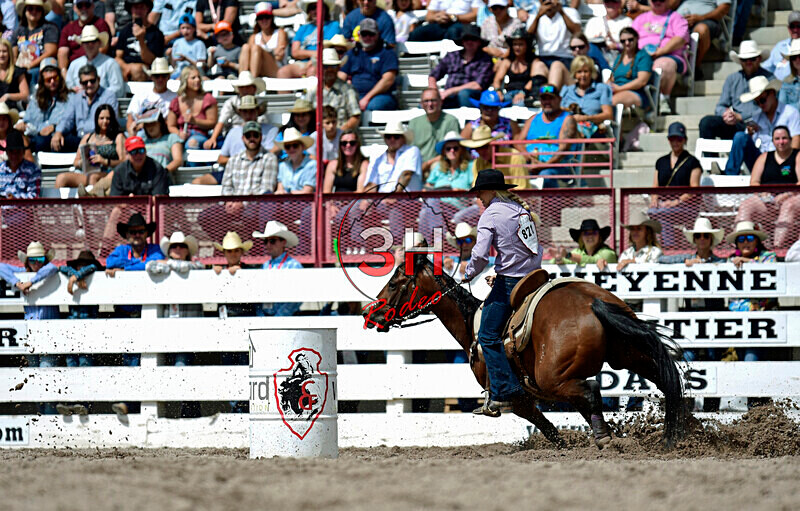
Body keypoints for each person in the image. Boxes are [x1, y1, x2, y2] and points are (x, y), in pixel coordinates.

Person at [462, 168, 541, 417]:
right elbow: (532, 250)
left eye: (480, 192)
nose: (479, 198)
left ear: (490, 191)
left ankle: (505, 391)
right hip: (534, 277)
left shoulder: (490, 215)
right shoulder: (522, 211)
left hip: (510, 282)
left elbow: (481, 253)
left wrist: (468, 273)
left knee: (487, 336)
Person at [735, 125, 800, 248]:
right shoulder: (764, 157)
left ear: (790, 140)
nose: (781, 142)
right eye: (777, 139)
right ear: (773, 141)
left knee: (788, 205)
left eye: (784, 138)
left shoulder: (797, 156)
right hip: (768, 201)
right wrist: (762, 194)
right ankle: (739, 245)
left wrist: (786, 195)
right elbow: (754, 182)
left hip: (793, 197)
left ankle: (777, 247)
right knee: (746, 205)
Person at [724, 76, 800, 175]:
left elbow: (796, 140)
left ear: (772, 93)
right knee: (740, 137)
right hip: (760, 162)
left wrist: (790, 164)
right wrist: (750, 134)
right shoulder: (756, 118)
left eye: (763, 100)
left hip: (783, 160)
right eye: (757, 102)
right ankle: (729, 177)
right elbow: (746, 144)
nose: (760, 105)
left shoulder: (790, 113)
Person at [698, 40, 772, 142]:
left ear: (759, 59)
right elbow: (720, 106)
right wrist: (727, 114)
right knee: (706, 123)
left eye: (752, 58)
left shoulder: (769, 78)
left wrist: (741, 116)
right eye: (744, 59)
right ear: (740, 61)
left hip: (760, 123)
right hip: (736, 124)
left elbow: (771, 107)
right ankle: (711, 158)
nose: (748, 62)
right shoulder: (732, 79)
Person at [726, 221, 777, 362]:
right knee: (742, 355)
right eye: (741, 239)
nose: (745, 243)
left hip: (761, 322)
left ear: (757, 241)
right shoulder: (730, 260)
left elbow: (770, 268)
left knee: (751, 356)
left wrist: (746, 261)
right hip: (737, 321)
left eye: (750, 238)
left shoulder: (768, 256)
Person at [648, 122, 702, 247]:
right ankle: (669, 246)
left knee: (660, 213)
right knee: (656, 212)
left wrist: (675, 202)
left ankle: (669, 246)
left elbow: (694, 189)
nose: (675, 142)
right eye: (672, 138)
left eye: (679, 139)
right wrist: (654, 199)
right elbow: (655, 185)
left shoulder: (693, 162)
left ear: (684, 140)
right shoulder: (661, 161)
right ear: (668, 140)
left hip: (686, 206)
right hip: (663, 206)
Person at [632, 0, 690, 115]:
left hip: (669, 55)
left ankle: (663, 99)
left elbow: (681, 38)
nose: (657, 1)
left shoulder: (676, 17)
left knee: (663, 64)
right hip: (643, 57)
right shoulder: (639, 19)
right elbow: (631, 37)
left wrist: (662, 51)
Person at [516, 83, 578, 188]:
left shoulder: (567, 119)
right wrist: (530, 159)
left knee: (546, 175)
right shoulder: (533, 119)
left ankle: (550, 204)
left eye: (551, 98)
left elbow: (563, 150)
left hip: (557, 167)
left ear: (559, 99)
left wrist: (543, 165)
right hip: (531, 164)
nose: (547, 102)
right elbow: (519, 143)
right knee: (514, 172)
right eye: (544, 99)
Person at [54, 104, 124, 189]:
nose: (105, 121)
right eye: (101, 118)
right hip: (87, 173)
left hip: (108, 173)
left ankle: (90, 198)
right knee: (61, 178)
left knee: (93, 177)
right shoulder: (88, 137)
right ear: (96, 119)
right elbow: (75, 162)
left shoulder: (118, 137)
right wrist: (83, 162)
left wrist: (105, 161)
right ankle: (56, 202)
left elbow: (124, 161)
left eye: (108, 118)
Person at [52, 64, 118, 152]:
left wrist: (91, 138)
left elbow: (111, 122)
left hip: (99, 139)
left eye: (92, 81)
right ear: (80, 83)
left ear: (98, 79)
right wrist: (58, 132)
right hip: (79, 138)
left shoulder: (109, 96)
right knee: (54, 142)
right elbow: (67, 119)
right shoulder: (76, 98)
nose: (89, 84)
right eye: (85, 82)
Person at [340, 17, 399, 111]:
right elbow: (341, 76)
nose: (367, 37)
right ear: (359, 35)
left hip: (380, 96)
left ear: (378, 34)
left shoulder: (387, 53)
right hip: (354, 95)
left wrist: (367, 98)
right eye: (364, 34)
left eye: (371, 34)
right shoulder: (352, 53)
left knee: (373, 106)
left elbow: (388, 80)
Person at [428, 24, 493, 108]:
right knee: (428, 98)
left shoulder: (485, 60)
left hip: (472, 97)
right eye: (466, 39)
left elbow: (478, 85)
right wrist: (434, 93)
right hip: (448, 96)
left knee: (464, 94)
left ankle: (469, 120)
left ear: (479, 42)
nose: (469, 42)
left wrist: (450, 91)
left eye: (473, 39)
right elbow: (433, 76)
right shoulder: (452, 56)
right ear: (462, 41)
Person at [204, 71, 267, 150]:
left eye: (247, 87)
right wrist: (213, 138)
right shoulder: (231, 102)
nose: (245, 90)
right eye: (242, 87)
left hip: (255, 136)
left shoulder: (260, 104)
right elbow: (221, 121)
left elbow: (263, 123)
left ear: (254, 88)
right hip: (233, 136)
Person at [253, 220, 304, 317]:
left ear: (283, 242)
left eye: (272, 241)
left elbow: (297, 297)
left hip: (287, 319)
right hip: (265, 317)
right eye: (266, 241)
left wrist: (279, 317)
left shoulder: (294, 266)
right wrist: (261, 317)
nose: (268, 245)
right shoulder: (265, 265)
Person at [277, 0, 340, 79]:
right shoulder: (303, 28)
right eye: (312, 8)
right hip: (304, 63)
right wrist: (314, 54)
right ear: (308, 11)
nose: (315, 11)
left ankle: (312, 92)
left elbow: (330, 48)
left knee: (312, 71)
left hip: (325, 62)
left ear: (325, 9)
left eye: (319, 7)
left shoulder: (333, 25)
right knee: (283, 72)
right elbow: (295, 52)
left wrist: (312, 58)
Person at [527, 0, 581, 90]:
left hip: (565, 58)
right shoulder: (534, 15)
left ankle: (551, 96)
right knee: (537, 66)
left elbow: (577, 31)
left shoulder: (570, 12)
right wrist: (538, 16)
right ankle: (536, 97)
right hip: (543, 57)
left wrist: (561, 12)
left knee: (556, 66)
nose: (548, 2)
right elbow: (529, 35)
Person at [303, 48, 360, 131]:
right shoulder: (313, 91)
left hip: (341, 138)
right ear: (320, 68)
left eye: (333, 66)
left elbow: (355, 117)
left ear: (338, 68)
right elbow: (306, 114)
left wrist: (338, 134)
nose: (329, 70)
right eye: (325, 66)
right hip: (317, 137)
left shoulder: (348, 90)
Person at [19, 58, 68, 152]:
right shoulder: (36, 98)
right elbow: (28, 120)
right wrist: (24, 125)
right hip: (38, 137)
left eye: (55, 78)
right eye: (48, 80)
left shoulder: (69, 97)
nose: (52, 82)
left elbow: (70, 120)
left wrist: (54, 127)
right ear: (42, 80)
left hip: (59, 136)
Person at [167, 65, 218, 151]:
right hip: (181, 135)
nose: (197, 80)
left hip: (201, 134)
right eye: (193, 78)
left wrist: (195, 121)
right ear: (185, 80)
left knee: (192, 143)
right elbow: (171, 125)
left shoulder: (208, 99)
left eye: (198, 77)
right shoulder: (176, 102)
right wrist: (179, 133)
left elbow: (213, 123)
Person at [221, 121, 279, 195]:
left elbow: (266, 190)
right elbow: (226, 187)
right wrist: (231, 202)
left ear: (261, 137)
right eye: (248, 136)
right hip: (232, 204)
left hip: (257, 205)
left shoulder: (270, 159)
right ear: (243, 138)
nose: (252, 139)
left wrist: (242, 203)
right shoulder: (233, 160)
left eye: (255, 135)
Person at [409, 88, 460, 173]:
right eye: (426, 101)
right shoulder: (414, 123)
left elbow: (453, 150)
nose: (430, 104)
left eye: (433, 100)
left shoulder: (451, 121)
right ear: (421, 104)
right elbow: (409, 150)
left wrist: (428, 163)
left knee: (436, 167)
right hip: (417, 164)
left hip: (441, 163)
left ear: (441, 102)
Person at [560, 55, 613, 137]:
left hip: (591, 127)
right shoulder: (567, 90)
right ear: (575, 74)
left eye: (586, 71)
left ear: (591, 73)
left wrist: (585, 118)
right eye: (579, 72)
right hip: (567, 126)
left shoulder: (601, 89)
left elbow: (608, 114)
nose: (583, 75)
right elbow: (559, 111)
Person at [66, 25, 124, 97]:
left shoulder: (111, 64)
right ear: (82, 45)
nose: (90, 45)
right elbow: (67, 88)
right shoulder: (74, 64)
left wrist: (97, 92)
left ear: (99, 43)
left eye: (93, 41)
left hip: (103, 105)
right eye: (86, 42)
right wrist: (74, 91)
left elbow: (118, 90)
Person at [218, 96, 278, 166]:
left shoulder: (271, 130)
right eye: (245, 111)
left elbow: (272, 152)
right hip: (236, 170)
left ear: (257, 111)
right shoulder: (233, 132)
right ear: (240, 112)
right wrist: (241, 160)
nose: (248, 114)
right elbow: (221, 159)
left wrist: (249, 160)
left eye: (251, 110)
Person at [114, 0, 165, 82]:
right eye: (135, 7)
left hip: (146, 71)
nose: (138, 11)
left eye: (141, 7)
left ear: (147, 9)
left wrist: (141, 40)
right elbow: (118, 56)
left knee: (138, 70)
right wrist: (126, 67)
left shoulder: (156, 33)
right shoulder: (125, 31)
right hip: (126, 69)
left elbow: (152, 61)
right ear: (131, 9)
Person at [365, 121, 422, 193]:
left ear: (403, 138)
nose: (392, 140)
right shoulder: (378, 159)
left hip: (407, 201)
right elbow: (371, 185)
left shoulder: (412, 151)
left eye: (396, 136)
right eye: (388, 136)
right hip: (383, 201)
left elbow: (406, 175)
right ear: (385, 139)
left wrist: (393, 196)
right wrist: (367, 201)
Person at [125, 58, 177, 137]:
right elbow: (130, 119)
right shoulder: (140, 95)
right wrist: (132, 134)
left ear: (168, 77)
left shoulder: (175, 98)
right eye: (156, 76)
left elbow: (173, 123)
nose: (160, 79)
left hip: (163, 135)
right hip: (139, 133)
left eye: (164, 76)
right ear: (151, 77)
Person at [12, 0, 58, 86]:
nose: (34, 11)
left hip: (41, 68)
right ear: (25, 11)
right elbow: (13, 55)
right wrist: (18, 68)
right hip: (20, 69)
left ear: (42, 12)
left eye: (38, 9)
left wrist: (30, 65)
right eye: (30, 8)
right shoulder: (18, 31)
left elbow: (51, 51)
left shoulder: (49, 28)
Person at [57, 0, 111, 70]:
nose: (84, 9)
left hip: (97, 67)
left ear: (93, 6)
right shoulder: (68, 29)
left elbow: (103, 48)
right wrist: (64, 73)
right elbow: (62, 53)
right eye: (80, 6)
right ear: (74, 8)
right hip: (73, 69)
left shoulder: (101, 24)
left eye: (87, 5)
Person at [608, 27, 653, 110]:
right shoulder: (619, 58)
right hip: (617, 91)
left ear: (636, 39)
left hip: (636, 93)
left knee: (610, 102)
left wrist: (620, 89)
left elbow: (642, 81)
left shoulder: (643, 56)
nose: (627, 43)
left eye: (630, 40)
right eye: (623, 41)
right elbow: (611, 79)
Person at [491, 28, 538, 106]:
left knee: (519, 104)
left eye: (520, 44)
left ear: (527, 46)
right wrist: (498, 91)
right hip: (509, 93)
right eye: (515, 44)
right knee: (493, 104)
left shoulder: (533, 61)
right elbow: (497, 79)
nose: (517, 47)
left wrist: (523, 92)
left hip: (526, 94)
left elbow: (534, 80)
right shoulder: (508, 61)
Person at [240, 2, 287, 78]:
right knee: (245, 47)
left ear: (272, 18)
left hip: (277, 69)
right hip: (259, 68)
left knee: (256, 48)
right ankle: (243, 79)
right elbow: (277, 54)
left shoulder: (280, 33)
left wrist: (261, 53)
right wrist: (274, 51)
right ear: (257, 20)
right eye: (261, 17)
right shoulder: (254, 37)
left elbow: (279, 57)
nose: (264, 20)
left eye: (267, 17)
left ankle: (252, 81)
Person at [552, 218, 617, 270]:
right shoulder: (577, 252)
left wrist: (568, 255)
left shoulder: (608, 253)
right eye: (586, 233)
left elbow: (592, 261)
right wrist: (558, 258)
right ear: (581, 237)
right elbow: (554, 262)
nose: (590, 236)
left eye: (594, 233)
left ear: (599, 236)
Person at [408, 0, 480, 42]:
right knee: (417, 33)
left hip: (462, 23)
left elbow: (476, 15)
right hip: (440, 23)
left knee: (453, 31)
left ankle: (452, 62)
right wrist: (437, 17)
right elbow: (428, 16)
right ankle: (410, 60)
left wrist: (454, 17)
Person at [762, 11, 800, 82]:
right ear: (788, 28)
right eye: (792, 26)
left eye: (799, 26)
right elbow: (766, 68)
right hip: (779, 89)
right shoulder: (780, 47)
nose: (795, 30)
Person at [275, 127, 316, 194]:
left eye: (295, 145)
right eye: (288, 146)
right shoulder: (282, 166)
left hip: (305, 204)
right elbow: (280, 189)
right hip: (286, 203)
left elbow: (307, 192)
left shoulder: (312, 164)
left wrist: (288, 194)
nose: (291, 149)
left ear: (302, 147)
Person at [0, 130, 40, 198]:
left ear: (23, 152)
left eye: (18, 152)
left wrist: (16, 198)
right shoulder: (0, 169)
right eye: (11, 152)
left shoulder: (33, 170)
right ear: (6, 152)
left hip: (23, 208)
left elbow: (34, 196)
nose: (14, 156)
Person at [168, 14, 206, 80]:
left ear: (194, 29)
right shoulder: (177, 43)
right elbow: (174, 66)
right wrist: (170, 55)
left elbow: (201, 66)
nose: (185, 31)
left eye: (188, 28)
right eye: (183, 28)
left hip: (193, 72)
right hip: (178, 72)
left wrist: (186, 59)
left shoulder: (199, 44)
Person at [0, 39, 29, 111]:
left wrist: (8, 96)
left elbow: (25, 95)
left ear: (9, 53)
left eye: (4, 51)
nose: (1, 54)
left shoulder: (18, 71)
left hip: (12, 110)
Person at [779, 39, 800, 111]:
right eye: (794, 57)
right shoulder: (787, 82)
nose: (797, 60)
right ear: (791, 61)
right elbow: (782, 107)